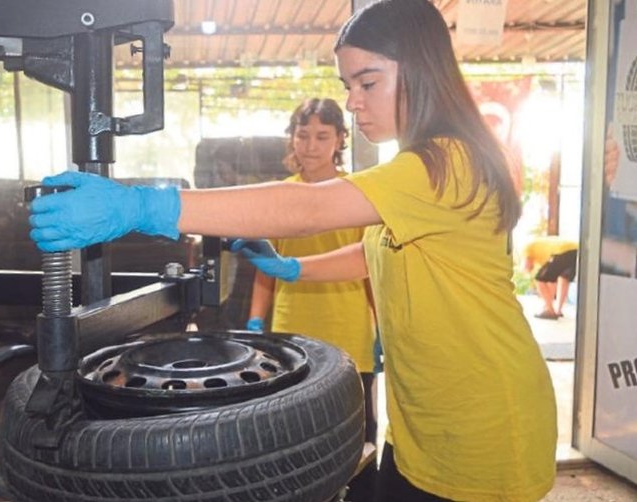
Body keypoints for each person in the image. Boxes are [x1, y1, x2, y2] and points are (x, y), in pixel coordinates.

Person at [28, 1, 557, 500]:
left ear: (422, 70)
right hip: (427, 424)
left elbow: (305, 208)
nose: (353, 100)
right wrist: (292, 267)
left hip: (486, 428)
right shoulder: (419, 170)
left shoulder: (447, 163)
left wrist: (142, 208)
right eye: (349, 84)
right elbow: (379, 252)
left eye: (367, 82)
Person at [244, 97, 378, 500]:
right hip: (293, 328)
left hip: (349, 328)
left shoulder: (359, 193)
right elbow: (265, 268)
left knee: (357, 426)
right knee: (292, 428)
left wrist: (381, 326)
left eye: (323, 136)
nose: (311, 145)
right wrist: (255, 322)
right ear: (292, 138)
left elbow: (371, 265)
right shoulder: (280, 195)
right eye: (303, 135)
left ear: (340, 139)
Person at [523, 236, 579, 320]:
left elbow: (527, 267)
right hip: (576, 250)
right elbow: (551, 283)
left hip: (561, 251)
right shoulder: (542, 248)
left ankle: (549, 310)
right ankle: (558, 310)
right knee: (564, 279)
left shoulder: (527, 248)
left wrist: (527, 272)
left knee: (540, 279)